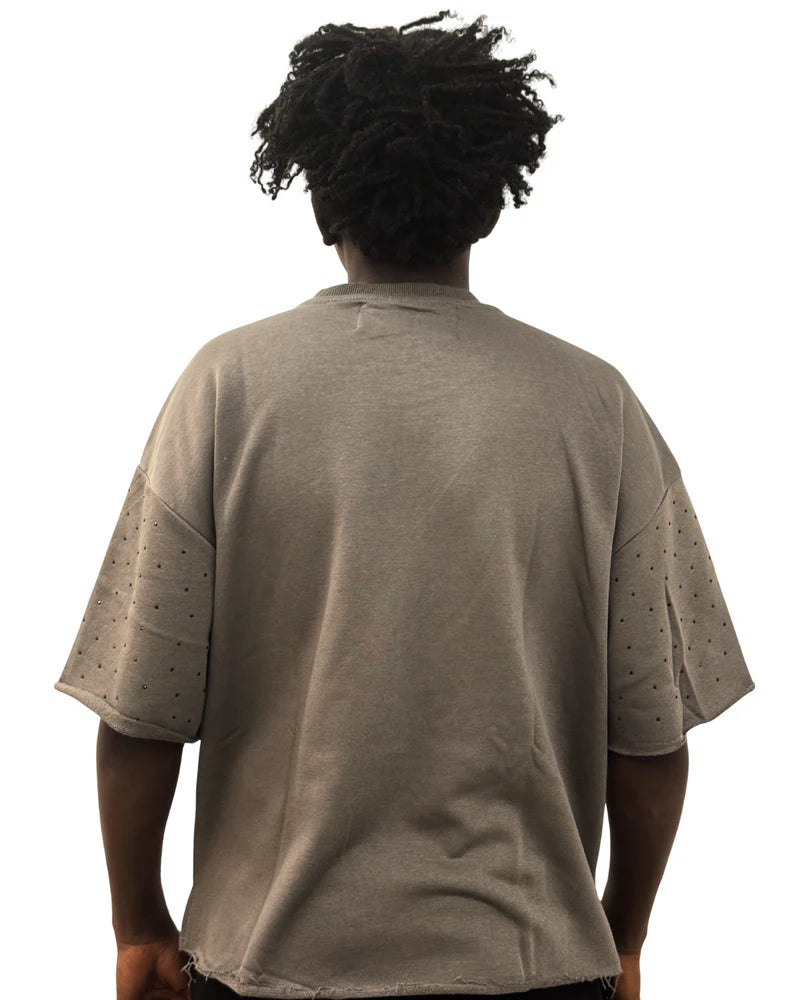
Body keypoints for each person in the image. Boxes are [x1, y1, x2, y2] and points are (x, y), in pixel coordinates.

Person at [53, 10, 755, 1000]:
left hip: (265, 966)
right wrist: (622, 933)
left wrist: (138, 926)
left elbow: (139, 713)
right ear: (491, 204)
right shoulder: (597, 408)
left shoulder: (224, 389)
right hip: (534, 966)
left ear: (318, 203)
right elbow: (650, 740)